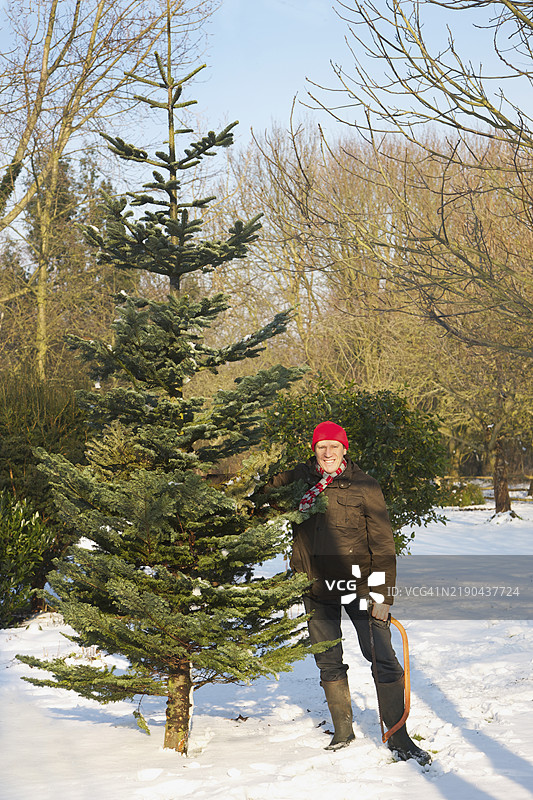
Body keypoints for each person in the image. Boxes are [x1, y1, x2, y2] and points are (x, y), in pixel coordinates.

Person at [269, 420, 431, 765]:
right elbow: (261, 492)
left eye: (333, 446)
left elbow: (384, 545)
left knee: (384, 660)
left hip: (360, 586)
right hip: (315, 588)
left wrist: (383, 598)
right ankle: (343, 730)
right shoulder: (300, 481)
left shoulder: (365, 487)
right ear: (313, 451)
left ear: (344, 449)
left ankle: (398, 735)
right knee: (327, 660)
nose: (327, 453)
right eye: (320, 447)